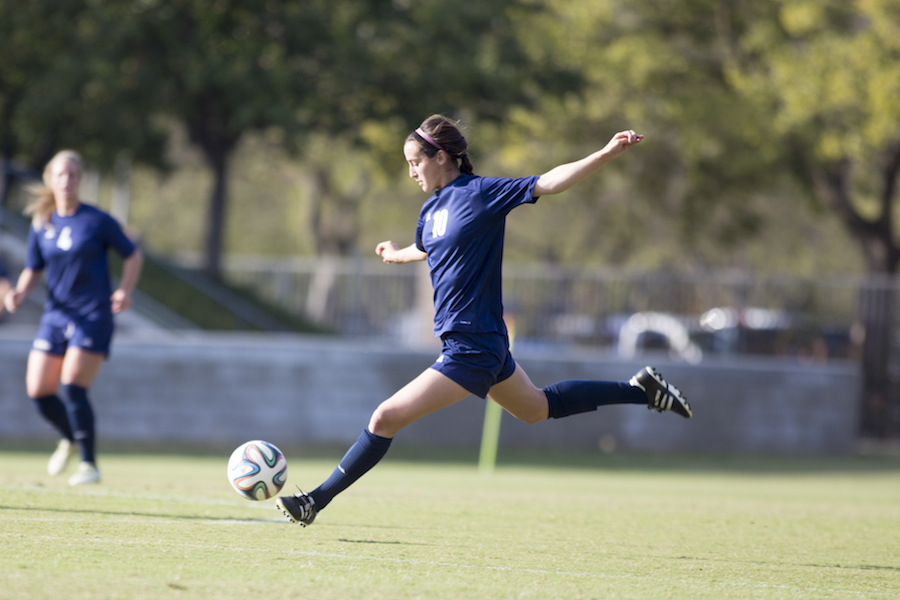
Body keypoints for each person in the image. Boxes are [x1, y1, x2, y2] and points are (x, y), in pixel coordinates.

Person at [276, 115, 691, 526]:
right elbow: (426, 249)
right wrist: (394, 254)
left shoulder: (481, 193)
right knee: (538, 409)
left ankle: (315, 501)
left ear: (440, 157)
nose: (411, 172)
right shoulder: (430, 210)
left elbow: (548, 181)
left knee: (384, 418)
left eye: (414, 162)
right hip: (477, 343)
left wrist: (604, 153)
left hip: (473, 346)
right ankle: (642, 391)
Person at [3, 150, 143, 486]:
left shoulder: (97, 221)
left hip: (93, 315)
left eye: (73, 175)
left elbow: (132, 254)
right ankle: (69, 437)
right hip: (56, 316)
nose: (67, 181)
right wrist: (19, 292)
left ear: (80, 181)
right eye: (61, 175)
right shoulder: (43, 222)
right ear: (50, 180)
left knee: (72, 385)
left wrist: (124, 290)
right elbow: (34, 268)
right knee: (39, 391)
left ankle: (89, 465)